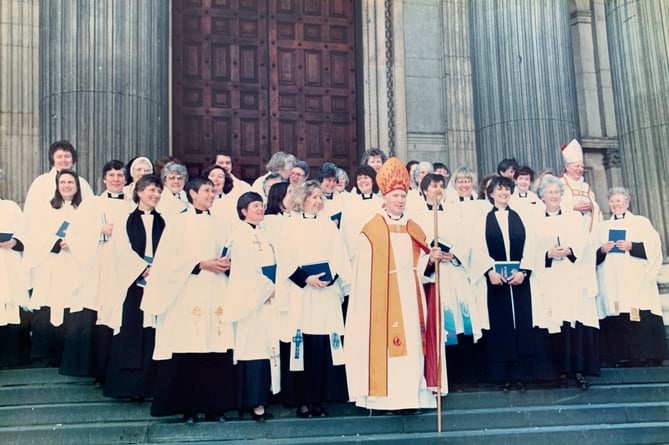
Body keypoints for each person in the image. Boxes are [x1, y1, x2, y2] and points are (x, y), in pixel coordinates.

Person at [346, 157, 446, 412]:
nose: (399, 200)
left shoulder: (413, 226)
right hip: (382, 299)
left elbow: (422, 265)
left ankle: (413, 396)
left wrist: (431, 260)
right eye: (395, 196)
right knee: (390, 349)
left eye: (403, 196)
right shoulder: (372, 229)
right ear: (385, 197)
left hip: (411, 295)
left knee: (412, 344)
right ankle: (387, 400)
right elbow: (363, 272)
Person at [141, 176, 235, 422]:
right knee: (191, 349)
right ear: (192, 193)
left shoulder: (222, 224)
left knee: (215, 348)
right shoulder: (178, 223)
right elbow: (167, 262)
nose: (211, 195)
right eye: (206, 190)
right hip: (188, 291)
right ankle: (190, 408)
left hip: (216, 291)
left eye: (213, 191)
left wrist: (226, 263)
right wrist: (200, 264)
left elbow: (230, 251)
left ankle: (215, 407)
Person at [275, 180, 351, 418]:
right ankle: (302, 401)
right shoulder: (289, 225)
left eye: (320, 197)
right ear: (302, 198)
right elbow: (284, 258)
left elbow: (340, 256)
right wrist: (306, 279)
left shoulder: (329, 226)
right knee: (303, 346)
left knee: (322, 347)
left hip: (325, 294)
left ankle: (319, 400)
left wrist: (332, 277)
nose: (318, 201)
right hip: (302, 293)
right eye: (313, 197)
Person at [472, 175, 552, 390]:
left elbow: (532, 246)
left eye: (507, 189)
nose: (503, 193)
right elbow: (477, 248)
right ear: (490, 193)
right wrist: (489, 271)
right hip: (495, 281)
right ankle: (502, 376)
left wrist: (523, 271)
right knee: (500, 325)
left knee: (521, 325)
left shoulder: (522, 217)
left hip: (519, 279)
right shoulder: (482, 219)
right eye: (499, 189)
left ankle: (522, 376)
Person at [60, 161, 136, 381]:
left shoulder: (132, 204)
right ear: (103, 179)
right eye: (111, 175)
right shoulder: (92, 203)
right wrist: (100, 230)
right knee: (98, 312)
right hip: (99, 262)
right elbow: (75, 232)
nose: (115, 179)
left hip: (123, 264)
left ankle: (115, 369)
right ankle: (96, 369)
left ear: (125, 179)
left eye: (119, 175)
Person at [102, 174, 166, 399]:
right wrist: (142, 268)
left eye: (158, 191)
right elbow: (121, 249)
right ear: (139, 192)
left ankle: (150, 385)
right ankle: (128, 387)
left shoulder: (164, 222)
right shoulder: (126, 221)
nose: (155, 195)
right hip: (133, 283)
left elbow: (171, 250)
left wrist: (158, 269)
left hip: (158, 283)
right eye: (151, 190)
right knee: (133, 328)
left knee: (153, 330)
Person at [533, 175, 599, 389]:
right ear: (542, 195)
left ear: (562, 195)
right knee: (555, 324)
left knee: (572, 322)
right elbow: (531, 249)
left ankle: (578, 370)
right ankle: (559, 371)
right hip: (549, 279)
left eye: (557, 192)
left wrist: (570, 251)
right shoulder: (534, 219)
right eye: (549, 192)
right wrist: (548, 253)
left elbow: (584, 242)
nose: (553, 196)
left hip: (570, 275)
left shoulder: (573, 217)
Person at [595, 187, 668, 367]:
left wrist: (631, 246)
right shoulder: (602, 227)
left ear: (627, 203)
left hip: (636, 279)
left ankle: (645, 355)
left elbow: (653, 248)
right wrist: (602, 249)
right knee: (617, 310)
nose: (615, 205)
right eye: (612, 201)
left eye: (619, 201)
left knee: (637, 311)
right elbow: (592, 254)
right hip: (612, 280)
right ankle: (620, 356)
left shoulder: (641, 223)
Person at [227, 192, 278, 421]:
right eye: (255, 206)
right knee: (251, 349)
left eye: (262, 205)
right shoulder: (239, 236)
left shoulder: (265, 235)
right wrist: (267, 289)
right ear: (243, 211)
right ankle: (251, 402)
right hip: (249, 301)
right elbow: (244, 270)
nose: (260, 209)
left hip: (266, 299)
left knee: (265, 348)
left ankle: (261, 398)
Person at [24, 169, 83, 366]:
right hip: (52, 263)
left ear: (77, 186)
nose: (67, 186)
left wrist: (75, 242)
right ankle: (47, 353)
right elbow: (36, 235)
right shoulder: (47, 209)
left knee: (71, 304)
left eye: (71, 182)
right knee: (49, 303)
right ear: (57, 186)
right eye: (63, 182)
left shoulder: (84, 210)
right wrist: (56, 243)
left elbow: (90, 234)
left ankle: (67, 353)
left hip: (75, 265)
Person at [23, 140, 93, 229]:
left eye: (67, 156)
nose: (64, 160)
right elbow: (30, 214)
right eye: (59, 157)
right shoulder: (40, 183)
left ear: (73, 160)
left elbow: (91, 212)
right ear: (53, 160)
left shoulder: (82, 183)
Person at [0, 170, 30, 368]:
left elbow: (25, 233)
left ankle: (14, 358)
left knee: (12, 304)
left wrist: (14, 242)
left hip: (9, 261)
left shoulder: (10, 207)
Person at [340, 165, 382, 262]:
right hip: (356, 255)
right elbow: (345, 232)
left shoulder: (382, 204)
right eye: (359, 178)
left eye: (366, 177)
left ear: (373, 180)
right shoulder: (350, 205)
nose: (362, 181)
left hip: (378, 253)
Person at [559, 139, 601, 233]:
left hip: (588, 227)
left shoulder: (586, 187)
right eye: (577, 166)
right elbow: (553, 208)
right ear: (567, 167)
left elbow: (596, 208)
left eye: (582, 167)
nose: (580, 169)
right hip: (570, 229)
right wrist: (573, 207)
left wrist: (592, 207)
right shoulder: (560, 184)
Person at [316, 162, 345, 229]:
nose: (331, 184)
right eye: (328, 180)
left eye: (334, 180)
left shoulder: (341, 197)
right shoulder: (313, 197)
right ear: (321, 179)